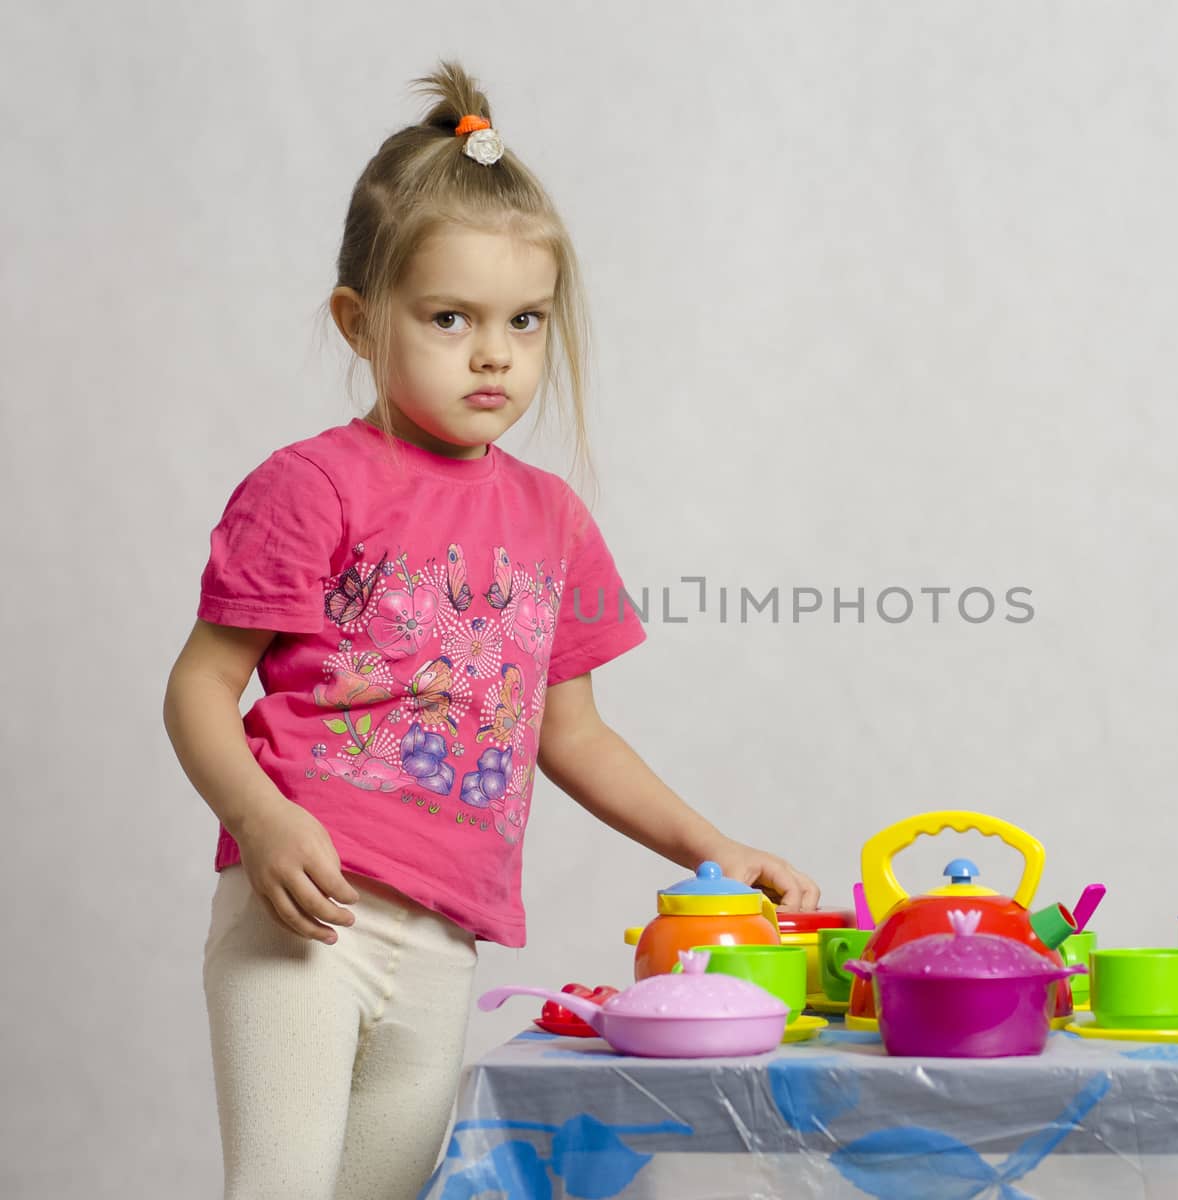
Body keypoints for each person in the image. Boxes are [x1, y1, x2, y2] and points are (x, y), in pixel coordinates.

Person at [162, 61, 820, 1200]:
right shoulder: (312, 486)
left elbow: (577, 736)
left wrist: (718, 854)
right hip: (309, 910)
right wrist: (260, 820)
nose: (494, 354)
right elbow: (199, 688)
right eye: (449, 318)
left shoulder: (550, 519)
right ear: (359, 324)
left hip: (444, 938)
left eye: (524, 320)